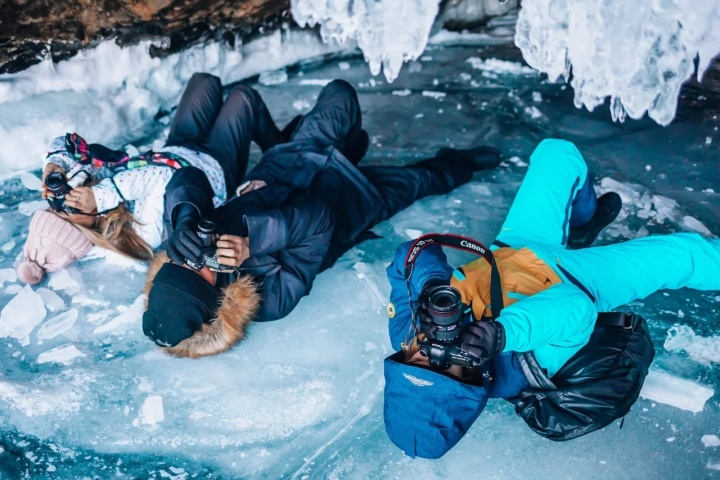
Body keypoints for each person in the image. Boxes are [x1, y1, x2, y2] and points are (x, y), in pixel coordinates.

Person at [382, 138, 720, 458]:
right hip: (578, 274)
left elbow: (407, 258)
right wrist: (502, 334)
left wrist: (429, 287)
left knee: (558, 153)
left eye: (420, 357)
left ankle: (583, 225)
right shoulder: (521, 370)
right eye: (454, 367)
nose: (439, 351)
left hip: (512, 247)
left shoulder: (409, 332)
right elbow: (577, 308)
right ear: (478, 386)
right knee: (688, 254)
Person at [141, 79, 503, 358]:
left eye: (180, 262)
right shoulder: (272, 300)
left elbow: (185, 180)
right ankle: (461, 161)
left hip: (288, 165)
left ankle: (348, 145)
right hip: (347, 198)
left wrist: (185, 216)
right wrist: (252, 245)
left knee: (340, 94)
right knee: (422, 180)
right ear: (214, 296)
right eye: (195, 270)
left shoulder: (181, 245)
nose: (191, 258)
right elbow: (319, 221)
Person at [35, 72, 285, 268]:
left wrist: (54, 165)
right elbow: (166, 177)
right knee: (244, 97)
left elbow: (70, 145)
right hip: (213, 169)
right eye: (66, 212)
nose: (66, 201)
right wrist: (101, 197)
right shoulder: (139, 235)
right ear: (85, 230)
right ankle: (287, 153)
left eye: (54, 204)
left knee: (203, 81)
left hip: (177, 147)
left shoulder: (87, 190)